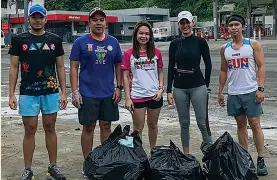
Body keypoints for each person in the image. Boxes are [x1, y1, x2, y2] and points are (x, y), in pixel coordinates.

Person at [8, 4, 67, 180]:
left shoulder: (54, 39)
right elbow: (13, 67)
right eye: (34, 17)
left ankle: (53, 167)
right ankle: (27, 169)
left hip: (50, 90)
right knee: (30, 129)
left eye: (40, 17)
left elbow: (60, 67)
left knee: (50, 127)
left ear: (45, 19)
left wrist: (64, 92)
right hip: (28, 91)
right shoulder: (19, 40)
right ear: (29, 19)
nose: (37, 20)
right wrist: (11, 94)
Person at [69, 7, 123, 177]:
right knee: (89, 127)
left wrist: (119, 87)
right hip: (87, 93)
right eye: (95, 20)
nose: (98, 23)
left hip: (108, 93)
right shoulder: (81, 42)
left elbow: (118, 66)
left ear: (106, 23)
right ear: (89, 23)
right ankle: (88, 163)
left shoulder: (113, 42)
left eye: (101, 20)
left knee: (106, 126)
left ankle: (104, 161)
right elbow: (73, 67)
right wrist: (75, 91)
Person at [218, 14, 268, 176]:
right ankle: (245, 159)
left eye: (236, 25)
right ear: (227, 28)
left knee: (254, 124)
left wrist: (260, 88)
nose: (233, 28)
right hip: (234, 92)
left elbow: (261, 66)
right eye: (230, 25)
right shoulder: (224, 48)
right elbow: (224, 70)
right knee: (240, 125)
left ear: (243, 27)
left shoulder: (252, 45)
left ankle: (260, 158)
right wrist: (220, 91)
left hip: (251, 91)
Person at [166, 11, 213, 154]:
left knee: (202, 123)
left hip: (198, 85)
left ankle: (209, 153)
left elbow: (208, 64)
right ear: (179, 24)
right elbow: (170, 66)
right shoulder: (174, 43)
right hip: (179, 87)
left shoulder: (200, 42)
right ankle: (186, 155)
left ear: (193, 23)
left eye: (187, 22)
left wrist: (207, 85)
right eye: (182, 23)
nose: (185, 25)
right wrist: (169, 90)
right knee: (184, 123)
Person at [121, 21, 164, 149]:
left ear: (150, 36)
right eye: (141, 33)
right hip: (137, 96)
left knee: (153, 125)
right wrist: (128, 98)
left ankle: (153, 151)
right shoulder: (129, 53)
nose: (143, 36)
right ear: (135, 35)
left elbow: (160, 72)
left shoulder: (156, 52)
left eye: (146, 34)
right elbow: (125, 76)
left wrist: (161, 89)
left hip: (154, 95)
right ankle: (138, 156)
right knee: (138, 128)